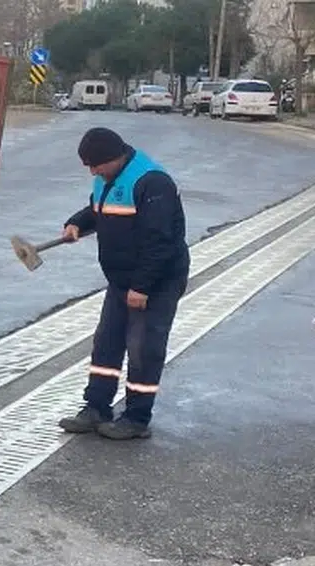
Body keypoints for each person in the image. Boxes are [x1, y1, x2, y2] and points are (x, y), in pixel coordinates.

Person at [58, 127, 191, 440]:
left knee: (144, 349)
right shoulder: (107, 177)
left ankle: (136, 417)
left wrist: (142, 288)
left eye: (96, 165)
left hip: (156, 281)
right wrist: (77, 222)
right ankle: (96, 408)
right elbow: (99, 210)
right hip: (121, 279)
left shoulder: (153, 182)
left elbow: (160, 242)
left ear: (114, 158)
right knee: (106, 343)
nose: (92, 171)